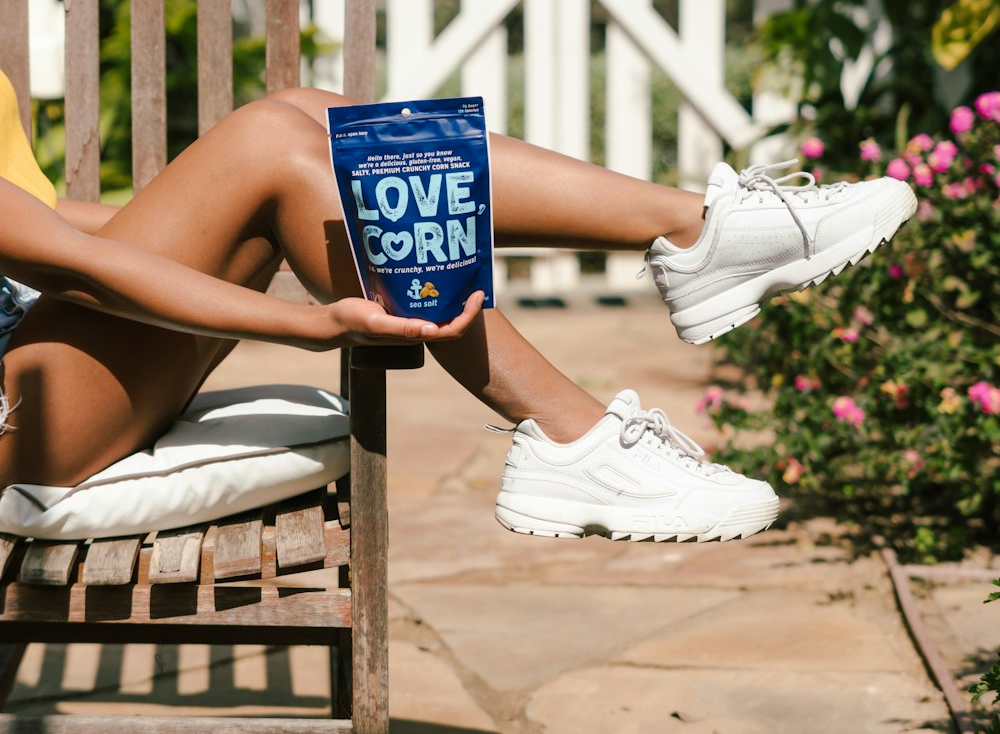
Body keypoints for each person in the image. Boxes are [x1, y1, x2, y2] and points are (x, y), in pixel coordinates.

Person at [0, 73, 916, 542]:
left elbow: (48, 230)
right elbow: (73, 264)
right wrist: (310, 324)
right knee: (272, 147)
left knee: (305, 120)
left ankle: (697, 229)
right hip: (18, 422)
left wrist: (241, 202)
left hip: (42, 350)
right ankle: (576, 428)